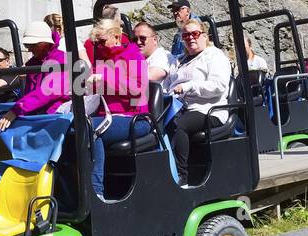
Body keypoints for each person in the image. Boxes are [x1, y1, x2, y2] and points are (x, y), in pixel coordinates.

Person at [86, 19, 151, 200]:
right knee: (75, 127)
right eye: (95, 43)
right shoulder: (101, 57)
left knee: (91, 129)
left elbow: (137, 89)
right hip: (105, 116)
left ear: (116, 36)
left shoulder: (133, 56)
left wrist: (105, 76)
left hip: (135, 118)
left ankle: (96, 190)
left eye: (101, 41)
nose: (98, 45)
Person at [163, 19, 233, 178]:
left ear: (204, 36)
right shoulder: (179, 60)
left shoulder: (214, 56)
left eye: (194, 34)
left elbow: (218, 86)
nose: (190, 38)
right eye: (185, 35)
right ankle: (163, 169)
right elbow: (167, 85)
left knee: (179, 124)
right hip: (179, 107)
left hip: (207, 109)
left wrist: (188, 87)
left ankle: (182, 175)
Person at [0, 20, 68, 129]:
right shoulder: (34, 62)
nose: (29, 49)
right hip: (40, 114)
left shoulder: (61, 59)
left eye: (32, 45)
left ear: (44, 43)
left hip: (54, 116)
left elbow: (49, 91)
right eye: (27, 45)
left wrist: (18, 109)